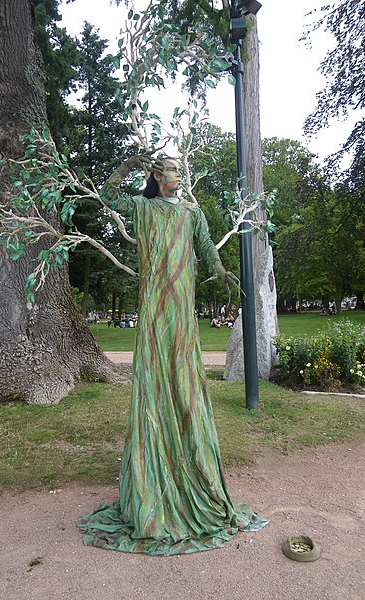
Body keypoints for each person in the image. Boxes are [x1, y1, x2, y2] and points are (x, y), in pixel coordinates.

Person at [78, 156, 267, 555]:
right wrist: (126, 162)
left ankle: (188, 471)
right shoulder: (143, 208)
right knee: (153, 385)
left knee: (184, 384)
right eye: (169, 170)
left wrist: (218, 268)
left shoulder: (193, 213)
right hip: (153, 311)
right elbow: (106, 196)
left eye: (179, 170)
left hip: (181, 312)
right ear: (157, 176)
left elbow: (205, 249)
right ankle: (153, 483)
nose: (176, 176)